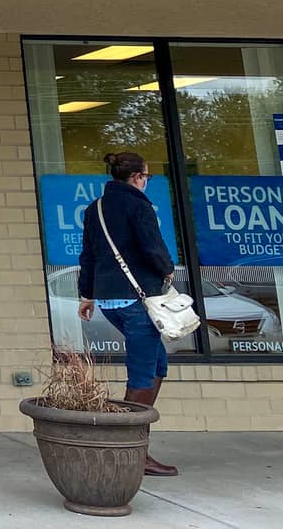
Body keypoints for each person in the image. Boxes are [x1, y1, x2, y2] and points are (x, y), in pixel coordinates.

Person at [76, 150, 179, 478]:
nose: (147, 182)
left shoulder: (96, 209)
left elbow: (88, 254)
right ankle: (130, 450)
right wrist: (167, 270)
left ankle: (136, 442)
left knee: (157, 364)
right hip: (139, 300)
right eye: (146, 176)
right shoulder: (139, 205)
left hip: (110, 302)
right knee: (142, 374)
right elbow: (152, 246)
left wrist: (87, 294)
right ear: (136, 177)